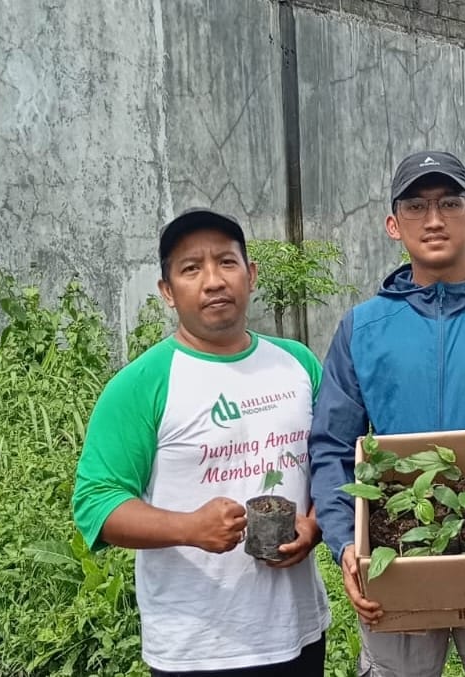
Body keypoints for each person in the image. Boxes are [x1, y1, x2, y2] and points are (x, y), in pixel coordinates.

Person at [309, 150, 465, 677]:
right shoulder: (362, 329)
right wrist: (348, 546)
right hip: (396, 551)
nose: (433, 219)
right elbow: (332, 447)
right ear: (393, 224)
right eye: (416, 206)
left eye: (449, 203)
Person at [71, 208, 330, 676]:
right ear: (167, 291)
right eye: (191, 269)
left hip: (299, 631)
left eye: (226, 262)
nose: (213, 281)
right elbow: (96, 504)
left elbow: (332, 463)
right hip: (197, 646)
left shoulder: (298, 364)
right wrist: (190, 527)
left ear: (251, 274)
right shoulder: (142, 384)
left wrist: (313, 525)